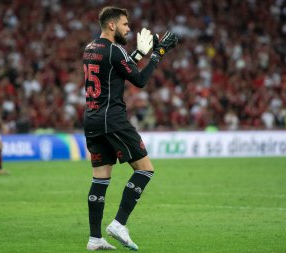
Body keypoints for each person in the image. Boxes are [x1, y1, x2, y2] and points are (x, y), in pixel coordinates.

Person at [83, 6, 178, 251]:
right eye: (125, 24)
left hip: (92, 119)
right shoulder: (115, 50)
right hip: (113, 120)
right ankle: (119, 224)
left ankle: (95, 239)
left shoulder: (90, 48)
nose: (129, 28)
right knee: (145, 169)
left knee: (100, 179)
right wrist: (158, 54)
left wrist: (137, 53)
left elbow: (116, 72)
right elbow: (139, 80)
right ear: (112, 25)